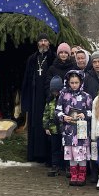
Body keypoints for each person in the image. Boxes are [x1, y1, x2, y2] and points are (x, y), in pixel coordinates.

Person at [21, 34, 55, 164]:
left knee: (46, 124)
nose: (43, 43)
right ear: (37, 43)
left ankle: (46, 155)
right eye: (41, 40)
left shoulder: (53, 57)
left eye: (45, 40)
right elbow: (26, 79)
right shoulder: (32, 59)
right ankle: (34, 154)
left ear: (49, 43)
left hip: (47, 96)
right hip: (35, 97)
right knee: (35, 124)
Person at [55, 69, 93, 186]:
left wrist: (85, 114)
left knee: (81, 154)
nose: (74, 85)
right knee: (71, 154)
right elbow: (57, 110)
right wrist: (63, 117)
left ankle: (82, 175)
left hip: (81, 130)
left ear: (81, 82)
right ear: (68, 82)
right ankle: (74, 175)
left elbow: (92, 112)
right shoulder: (63, 94)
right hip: (68, 130)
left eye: (76, 82)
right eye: (72, 82)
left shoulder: (86, 96)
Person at [43, 76, 64, 177]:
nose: (55, 93)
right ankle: (55, 166)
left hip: (64, 129)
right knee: (54, 148)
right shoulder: (50, 101)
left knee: (65, 148)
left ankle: (67, 166)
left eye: (57, 91)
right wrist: (46, 127)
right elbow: (46, 114)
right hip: (53, 129)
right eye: (53, 91)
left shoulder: (65, 100)